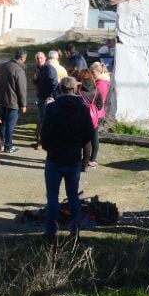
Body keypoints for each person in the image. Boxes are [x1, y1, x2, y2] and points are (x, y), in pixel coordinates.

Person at [39, 77, 94, 240]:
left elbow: (44, 134)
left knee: (52, 197)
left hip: (55, 158)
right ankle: (75, 230)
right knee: (73, 197)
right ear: (75, 89)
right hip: (73, 158)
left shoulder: (52, 108)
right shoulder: (83, 109)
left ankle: (50, 232)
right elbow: (89, 135)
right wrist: (85, 157)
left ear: (61, 89)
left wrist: (50, 148)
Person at [0, 49, 27, 154]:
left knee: (2, 123)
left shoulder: (4, 66)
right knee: (10, 124)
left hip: (2, 99)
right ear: (22, 58)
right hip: (13, 102)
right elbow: (21, 88)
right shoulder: (19, 70)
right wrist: (23, 104)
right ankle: (8, 146)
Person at [76, 69, 103, 169]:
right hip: (93, 118)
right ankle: (92, 159)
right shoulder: (96, 90)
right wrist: (94, 108)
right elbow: (100, 105)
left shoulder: (78, 90)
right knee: (94, 137)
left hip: (80, 118)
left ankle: (80, 160)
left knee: (81, 140)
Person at [33, 51, 59, 149]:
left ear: (45, 58)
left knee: (45, 121)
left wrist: (51, 97)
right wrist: (35, 79)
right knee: (41, 119)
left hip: (47, 98)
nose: (39, 60)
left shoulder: (49, 69)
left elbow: (55, 84)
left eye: (41, 58)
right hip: (40, 97)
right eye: (37, 58)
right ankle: (41, 140)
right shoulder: (39, 69)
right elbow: (37, 82)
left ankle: (43, 142)